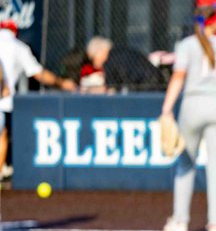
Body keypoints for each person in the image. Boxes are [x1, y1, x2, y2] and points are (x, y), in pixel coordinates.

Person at [161, 0, 216, 231]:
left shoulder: (186, 45)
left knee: (185, 165)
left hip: (193, 104)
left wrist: (166, 109)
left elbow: (178, 78)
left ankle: (180, 222)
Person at [0, 22, 75, 181]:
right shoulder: (17, 47)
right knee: (2, 136)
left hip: (4, 102)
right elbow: (38, 73)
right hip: (4, 102)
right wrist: (62, 83)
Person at [86, 36, 167, 92]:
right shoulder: (124, 51)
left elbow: (111, 90)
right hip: (159, 84)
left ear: (99, 52)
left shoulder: (109, 60)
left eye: (93, 59)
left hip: (145, 89)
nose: (94, 64)